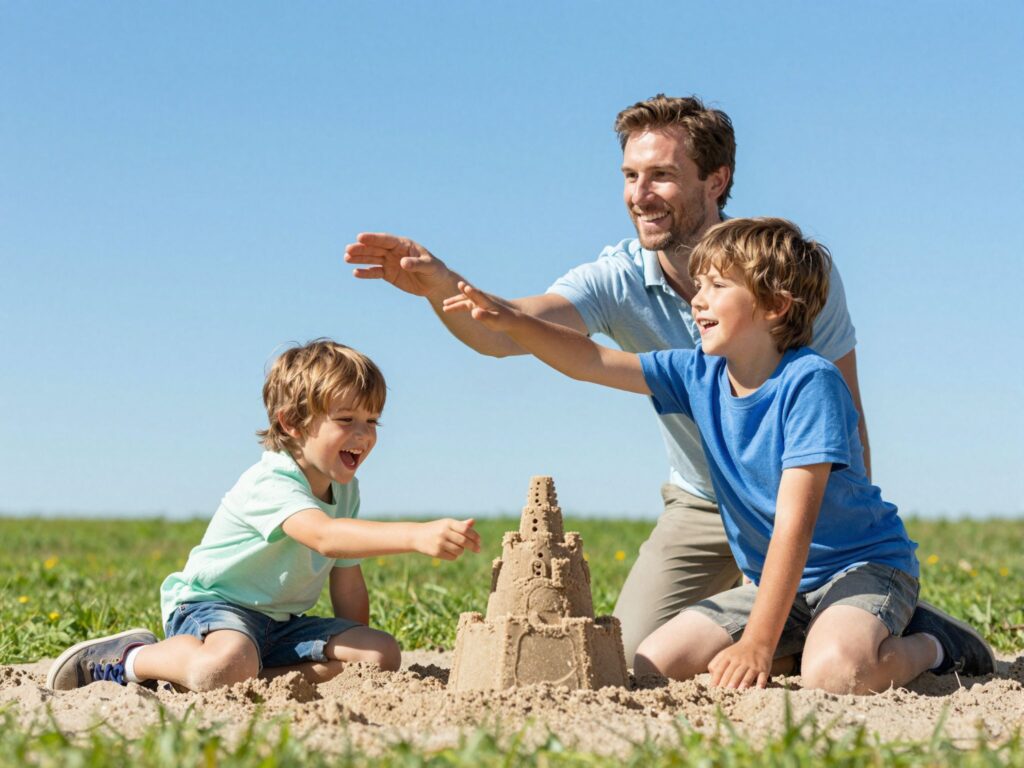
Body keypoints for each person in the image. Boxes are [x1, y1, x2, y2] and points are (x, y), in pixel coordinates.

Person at [343, 94, 993, 675]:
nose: (639, 193)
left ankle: (890, 627)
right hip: (705, 508)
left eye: (660, 175)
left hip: (821, 519)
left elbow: (839, 433)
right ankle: (809, 628)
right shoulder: (664, 330)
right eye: (629, 175)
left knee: (834, 663)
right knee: (634, 661)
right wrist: (444, 287)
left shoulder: (786, 274)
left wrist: (847, 530)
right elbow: (553, 350)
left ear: (717, 179)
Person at [442, 217, 978, 692]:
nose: (697, 299)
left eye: (718, 286)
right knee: (654, 662)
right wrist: (514, 322)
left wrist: (759, 643)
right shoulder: (697, 372)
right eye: (698, 285)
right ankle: (810, 635)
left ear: (775, 306)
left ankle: (933, 643)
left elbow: (794, 526)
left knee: (837, 675)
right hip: (778, 585)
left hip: (858, 567)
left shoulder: (810, 382)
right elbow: (592, 360)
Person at [46, 340, 481, 692]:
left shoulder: (346, 489)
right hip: (214, 607)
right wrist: (415, 536)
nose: (363, 434)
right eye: (346, 419)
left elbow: (346, 576)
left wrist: (347, 637)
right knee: (230, 658)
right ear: (291, 422)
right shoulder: (271, 481)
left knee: (379, 654)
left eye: (372, 421)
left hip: (280, 625)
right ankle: (131, 659)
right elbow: (326, 537)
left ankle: (223, 678)